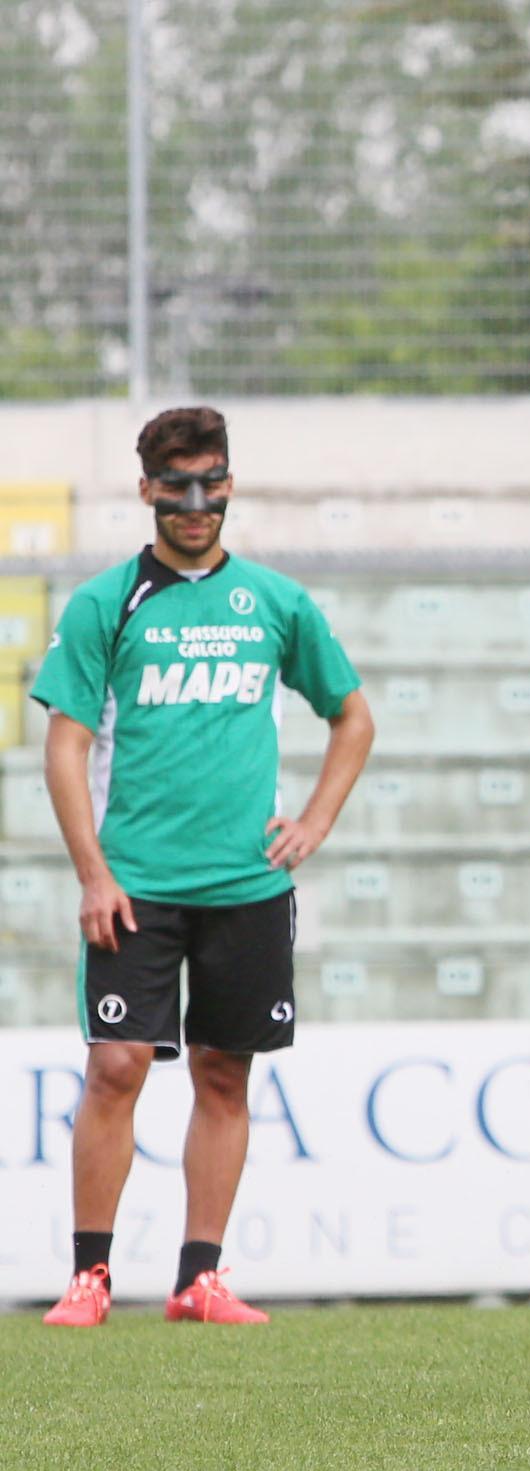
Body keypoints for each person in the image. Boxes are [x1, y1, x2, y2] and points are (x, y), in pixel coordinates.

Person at [31, 404, 373, 1328]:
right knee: (116, 1066)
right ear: (145, 490)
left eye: (210, 482)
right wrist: (94, 874)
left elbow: (352, 716)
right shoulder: (107, 601)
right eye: (176, 485)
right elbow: (63, 749)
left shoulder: (272, 600)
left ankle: (200, 1277)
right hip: (135, 884)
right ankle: (90, 1277)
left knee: (226, 1073)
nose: (195, 502)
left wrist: (312, 821)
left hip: (247, 886)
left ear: (229, 484)